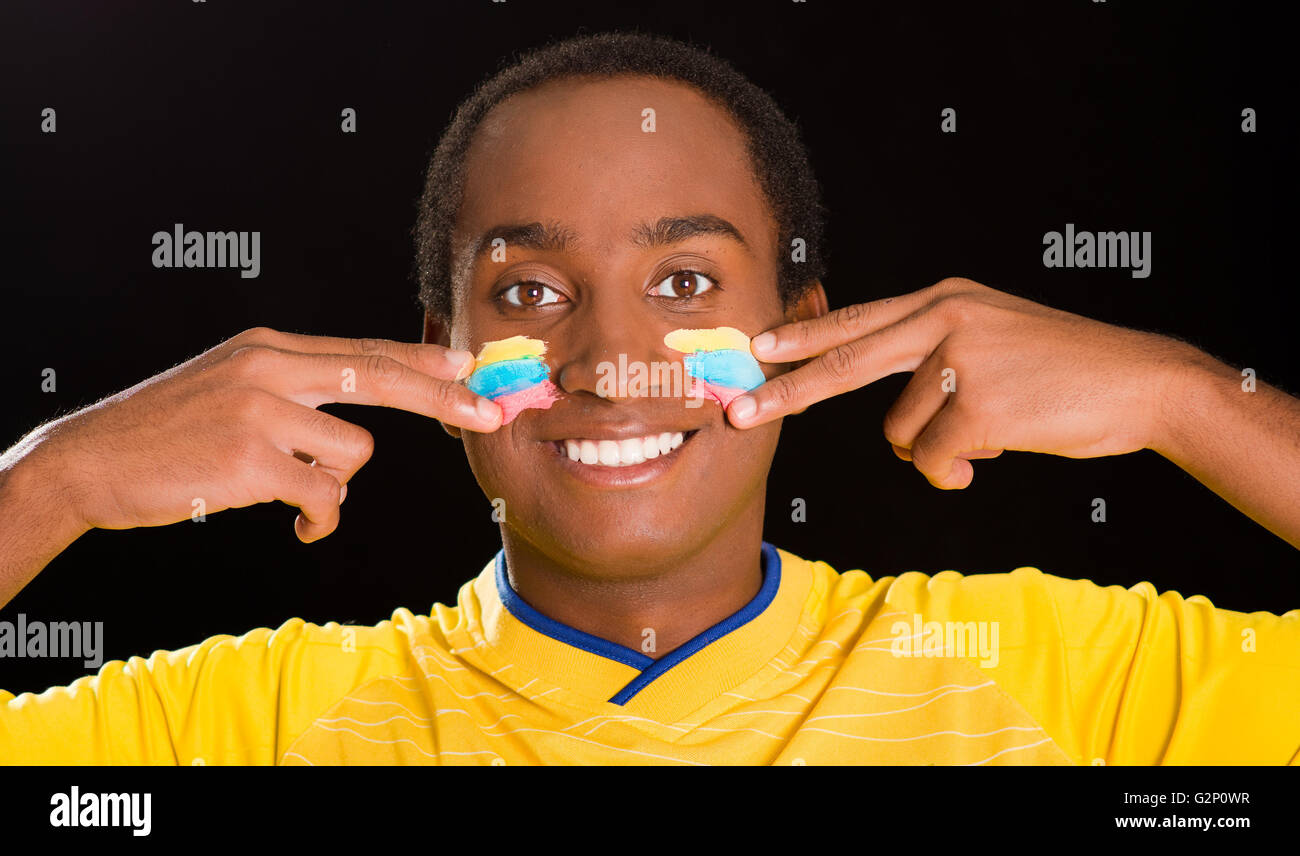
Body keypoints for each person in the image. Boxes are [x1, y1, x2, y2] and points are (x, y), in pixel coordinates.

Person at [1, 32, 1297, 766]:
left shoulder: (1069, 681)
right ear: (434, 357)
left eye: (682, 277)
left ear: (804, 333)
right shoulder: (247, 729)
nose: (611, 354)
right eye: (526, 293)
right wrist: (46, 481)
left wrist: (1186, 401)